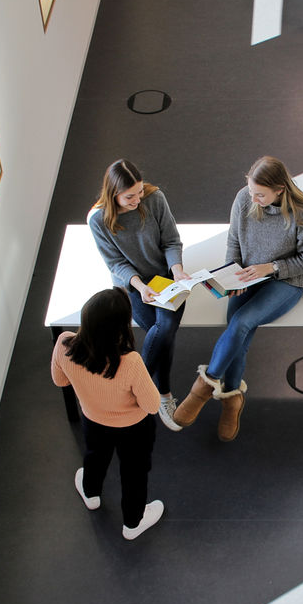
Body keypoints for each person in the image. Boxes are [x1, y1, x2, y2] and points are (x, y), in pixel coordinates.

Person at [172, 156, 303, 441]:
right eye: (251, 190)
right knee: (238, 330)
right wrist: (232, 272)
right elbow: (234, 240)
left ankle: (203, 388)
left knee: (240, 323)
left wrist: (273, 267)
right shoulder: (244, 199)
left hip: (288, 280)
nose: (252, 198)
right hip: (248, 275)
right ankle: (231, 398)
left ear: (280, 189)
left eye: (260, 194)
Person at [51, 288, 165, 540]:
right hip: (134, 428)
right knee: (134, 473)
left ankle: (91, 494)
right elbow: (152, 405)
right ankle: (132, 524)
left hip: (93, 419)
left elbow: (60, 381)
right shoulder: (130, 361)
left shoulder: (64, 344)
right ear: (121, 327)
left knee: (95, 456)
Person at [88, 159, 188, 431]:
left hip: (165, 276)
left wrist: (176, 270)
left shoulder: (155, 199)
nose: (137, 199)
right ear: (113, 194)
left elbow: (171, 241)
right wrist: (140, 287)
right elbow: (115, 263)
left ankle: (135, 388)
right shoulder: (98, 219)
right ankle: (163, 396)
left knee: (164, 329)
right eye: (130, 196)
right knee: (163, 334)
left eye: (140, 192)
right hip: (132, 284)